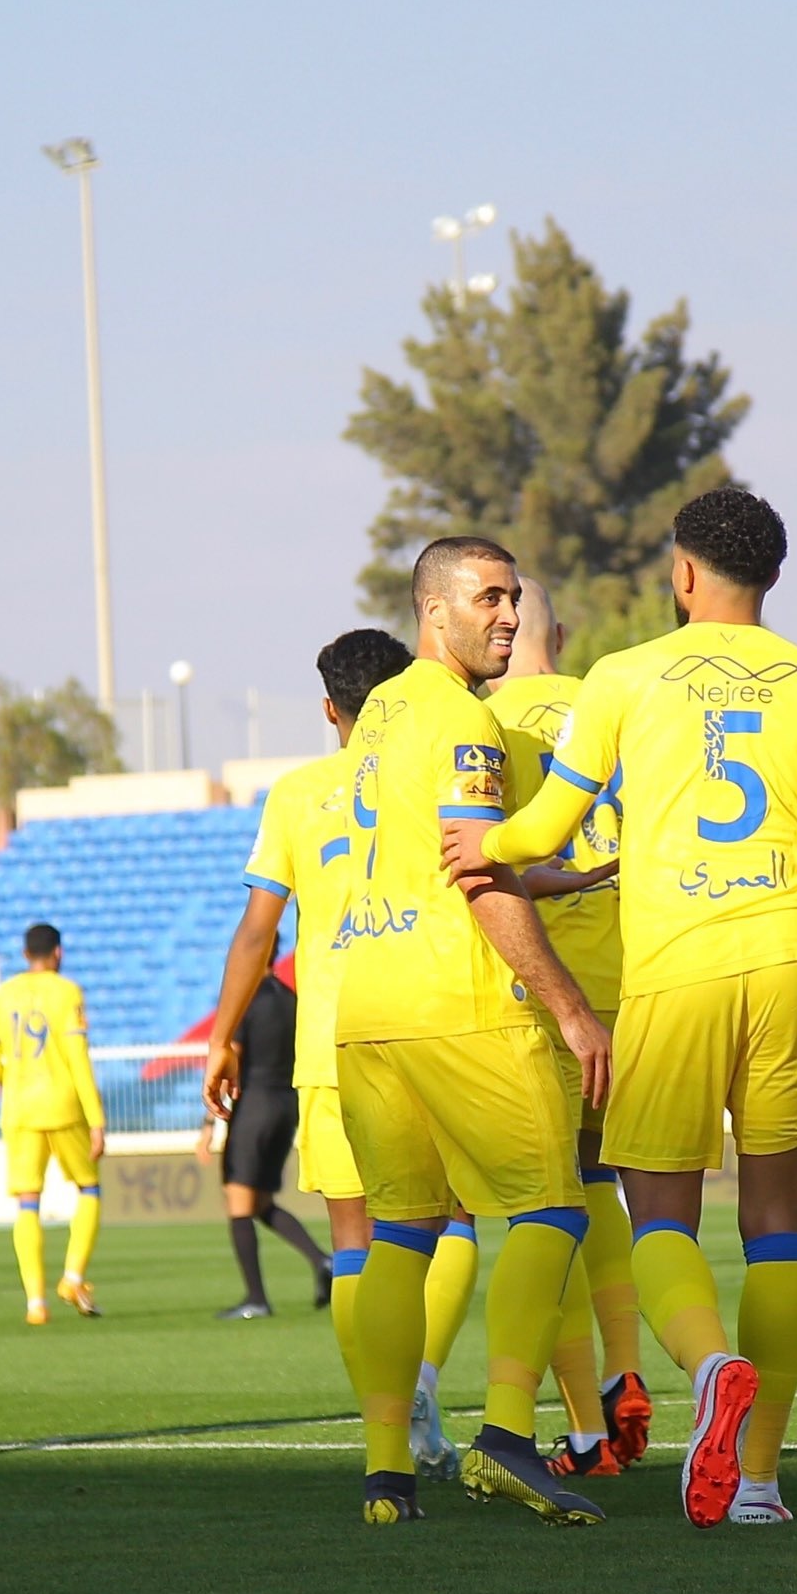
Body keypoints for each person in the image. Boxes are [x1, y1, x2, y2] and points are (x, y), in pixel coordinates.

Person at [454, 485, 797, 1528]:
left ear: (681, 571)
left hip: (673, 975)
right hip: (791, 969)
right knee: (777, 1229)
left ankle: (710, 1363)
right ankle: (757, 1481)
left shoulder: (625, 675)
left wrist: (484, 845)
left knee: (658, 1213)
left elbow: (547, 820)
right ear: (769, 575)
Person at [335, 536, 613, 1529]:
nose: (505, 613)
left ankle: (384, 1476)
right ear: (432, 609)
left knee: (401, 1237)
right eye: (486, 597)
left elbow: (436, 854)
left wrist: (560, 875)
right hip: (456, 1003)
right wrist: (573, 1007)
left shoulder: (378, 720)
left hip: (365, 1011)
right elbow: (476, 875)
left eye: (511, 597)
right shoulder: (463, 719)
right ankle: (502, 1435)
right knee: (551, 1209)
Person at [203, 632, 464, 1407]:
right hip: (432, 1020)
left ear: (329, 710)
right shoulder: (431, 771)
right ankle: (423, 1383)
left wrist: (221, 1038)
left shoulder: (295, 793)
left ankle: (387, 1420)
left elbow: (257, 932)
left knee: (354, 1240)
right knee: (448, 1224)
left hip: (332, 1042)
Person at [484, 577, 652, 1481]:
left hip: (546, 991)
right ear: (568, 630)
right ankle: (631, 1370)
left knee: (546, 1212)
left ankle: (588, 1427)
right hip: (644, 975)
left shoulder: (483, 727)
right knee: (611, 1186)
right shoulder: (616, 698)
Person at [199, 958, 333, 1320]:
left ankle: (256, 1298)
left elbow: (232, 1058)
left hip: (254, 1106)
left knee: (239, 1202)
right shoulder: (291, 998)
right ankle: (323, 1260)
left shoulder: (245, 1000)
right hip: (286, 1105)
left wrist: (208, 1122)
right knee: (260, 1202)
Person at [0, 922, 105, 1324]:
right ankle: (72, 1277)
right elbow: (78, 1059)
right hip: (62, 1105)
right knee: (89, 1188)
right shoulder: (66, 991)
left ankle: (35, 1304)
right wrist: (97, 1120)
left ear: (24, 956)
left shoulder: (4, 995)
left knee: (27, 1203)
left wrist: (16, 1081)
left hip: (19, 1111)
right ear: (57, 953)